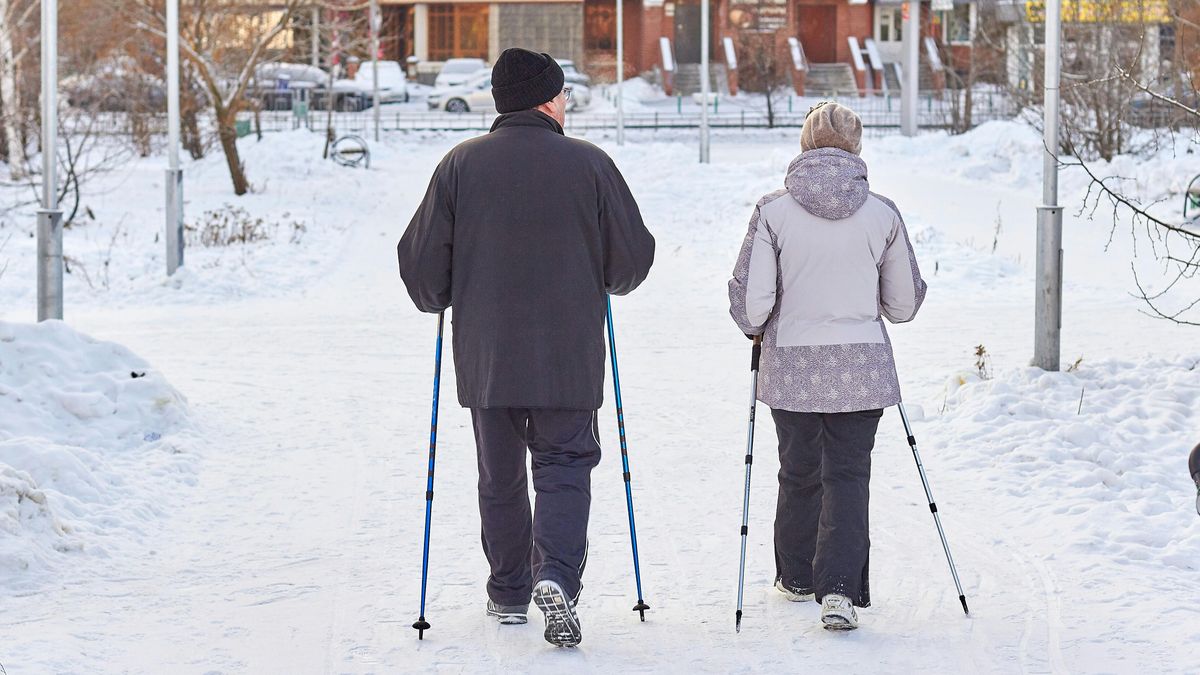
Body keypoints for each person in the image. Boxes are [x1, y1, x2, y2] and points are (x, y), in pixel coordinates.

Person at [397, 47, 655, 648]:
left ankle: (509, 591)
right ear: (545, 99)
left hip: (488, 358)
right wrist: (609, 277)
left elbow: (421, 265)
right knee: (566, 464)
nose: (566, 105)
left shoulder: (458, 166)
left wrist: (439, 294)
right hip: (568, 354)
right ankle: (558, 578)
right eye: (562, 95)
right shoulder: (590, 164)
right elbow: (632, 258)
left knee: (500, 473)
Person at [727, 101, 927, 631]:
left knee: (797, 470)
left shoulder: (773, 212)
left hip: (791, 366)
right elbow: (903, 305)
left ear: (803, 144)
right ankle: (838, 590)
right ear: (857, 147)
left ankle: (795, 577)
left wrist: (753, 325)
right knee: (848, 474)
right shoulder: (882, 213)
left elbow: (752, 307)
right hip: (862, 369)